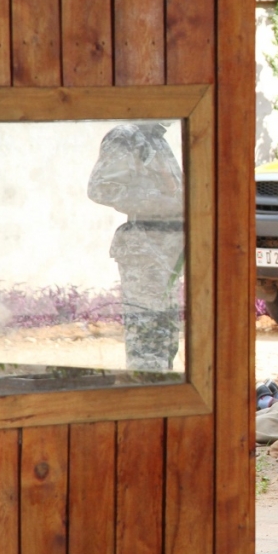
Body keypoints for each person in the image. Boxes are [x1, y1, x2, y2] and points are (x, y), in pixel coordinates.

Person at [87, 122, 184, 371]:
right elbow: (101, 188)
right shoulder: (126, 136)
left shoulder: (156, 139)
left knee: (165, 339)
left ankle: (161, 400)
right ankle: (149, 403)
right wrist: (164, 203)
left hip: (170, 255)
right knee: (148, 343)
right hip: (146, 252)